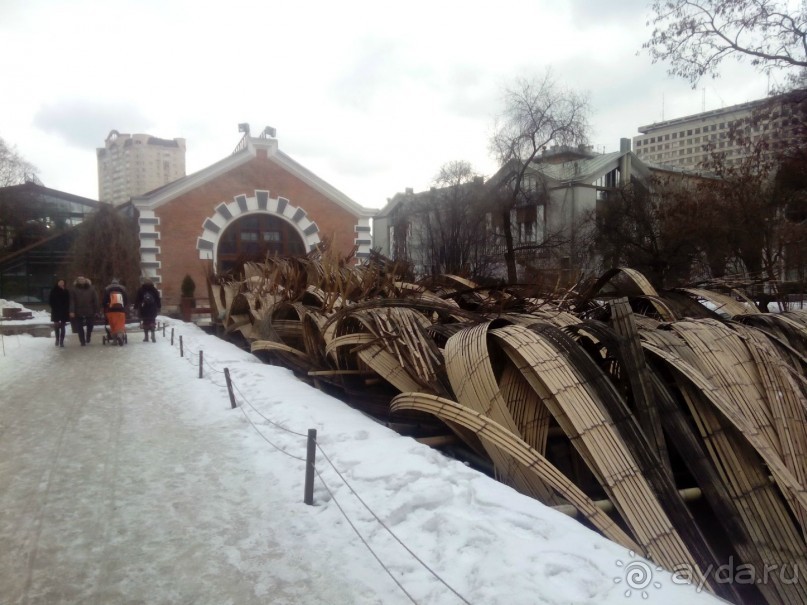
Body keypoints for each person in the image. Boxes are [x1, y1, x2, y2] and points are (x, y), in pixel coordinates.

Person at [69, 276, 99, 346]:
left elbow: (95, 299)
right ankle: (82, 341)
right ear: (77, 281)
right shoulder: (74, 290)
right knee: (79, 326)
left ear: (85, 280)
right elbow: (72, 301)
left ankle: (88, 336)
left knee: (90, 325)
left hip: (89, 310)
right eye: (79, 279)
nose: (81, 280)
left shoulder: (91, 288)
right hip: (78, 310)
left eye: (82, 279)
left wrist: (96, 310)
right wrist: (72, 311)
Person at [103, 278, 128, 346]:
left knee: (113, 325)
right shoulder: (123, 289)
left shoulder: (107, 289)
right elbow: (126, 300)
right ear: (118, 283)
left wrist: (105, 308)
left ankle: (114, 341)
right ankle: (120, 335)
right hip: (121, 310)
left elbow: (104, 301)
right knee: (120, 325)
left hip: (110, 311)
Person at [48, 278, 70, 347]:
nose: (61, 283)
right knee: (56, 326)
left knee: (63, 326)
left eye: (62, 282)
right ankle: (57, 339)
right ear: (57, 283)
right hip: (56, 311)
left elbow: (68, 301)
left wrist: (66, 308)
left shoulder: (66, 291)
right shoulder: (53, 291)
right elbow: (50, 301)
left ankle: (61, 341)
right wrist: (54, 307)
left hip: (64, 311)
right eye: (60, 282)